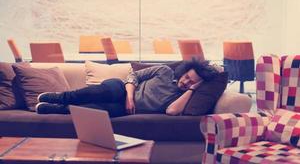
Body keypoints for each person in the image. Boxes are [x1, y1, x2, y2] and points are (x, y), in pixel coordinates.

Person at [35, 59, 219, 116]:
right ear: (184, 71)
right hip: (123, 91)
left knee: (95, 111)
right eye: (187, 77)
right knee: (108, 90)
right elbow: (133, 76)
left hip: (125, 110)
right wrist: (130, 97)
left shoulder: (181, 99)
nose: (185, 82)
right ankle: (61, 97)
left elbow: (171, 112)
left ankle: (59, 109)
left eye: (191, 82)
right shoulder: (164, 72)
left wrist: (192, 90)